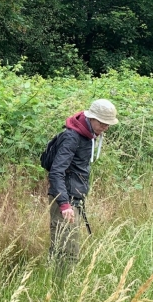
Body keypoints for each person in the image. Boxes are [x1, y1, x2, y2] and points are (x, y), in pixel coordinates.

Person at [47, 98, 119, 273]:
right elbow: (56, 172)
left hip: (74, 198)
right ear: (91, 118)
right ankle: (62, 288)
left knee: (65, 245)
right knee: (68, 250)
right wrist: (64, 204)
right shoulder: (72, 137)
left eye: (108, 124)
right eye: (103, 123)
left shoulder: (88, 136)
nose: (106, 127)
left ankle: (55, 283)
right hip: (64, 200)